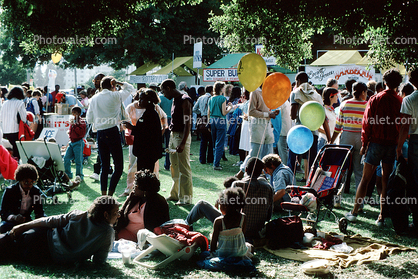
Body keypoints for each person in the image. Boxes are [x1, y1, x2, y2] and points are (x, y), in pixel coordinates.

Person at [346, 69, 404, 226]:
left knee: (365, 179)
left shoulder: (375, 98)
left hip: (375, 143)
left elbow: (367, 123)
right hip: (391, 144)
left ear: (385, 82)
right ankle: (382, 216)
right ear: (398, 84)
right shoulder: (400, 101)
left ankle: (354, 212)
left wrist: (364, 144)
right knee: (385, 182)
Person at [0, 196, 120, 264]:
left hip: (37, 237)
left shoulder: (79, 214)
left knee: (9, 238)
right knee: (12, 251)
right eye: (116, 213)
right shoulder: (107, 233)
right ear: (105, 215)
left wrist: (23, 226)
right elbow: (99, 262)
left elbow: (49, 221)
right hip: (44, 257)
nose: (118, 215)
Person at [86, 76, 135, 196]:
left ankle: (103, 195)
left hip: (100, 133)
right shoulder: (116, 95)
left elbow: (89, 119)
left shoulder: (93, 99)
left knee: (104, 166)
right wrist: (118, 82)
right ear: (112, 85)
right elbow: (130, 88)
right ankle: (110, 194)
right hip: (112, 132)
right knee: (118, 167)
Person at [330, 82, 368, 203]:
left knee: (341, 170)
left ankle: (337, 200)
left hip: (346, 137)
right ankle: (359, 204)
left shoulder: (345, 104)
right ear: (363, 92)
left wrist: (332, 140)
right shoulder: (367, 105)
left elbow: (338, 126)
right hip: (361, 138)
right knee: (359, 172)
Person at [236, 82, 280, 179]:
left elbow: (264, 110)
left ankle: (264, 176)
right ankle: (242, 172)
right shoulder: (255, 92)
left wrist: (272, 113)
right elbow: (251, 111)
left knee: (268, 153)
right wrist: (268, 114)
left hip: (267, 126)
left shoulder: (268, 92)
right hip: (257, 126)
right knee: (254, 153)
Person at [161, 79, 193, 205]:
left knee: (184, 168)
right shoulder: (175, 99)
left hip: (181, 136)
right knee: (174, 166)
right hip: (173, 135)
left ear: (169, 88)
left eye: (163, 91)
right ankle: (175, 194)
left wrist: (183, 142)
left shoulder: (185, 100)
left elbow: (188, 123)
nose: (163, 94)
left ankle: (186, 198)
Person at [115, 170, 169, 242]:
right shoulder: (134, 196)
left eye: (136, 184)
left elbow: (161, 226)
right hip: (123, 233)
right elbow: (121, 213)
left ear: (144, 190)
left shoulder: (158, 202)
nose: (134, 186)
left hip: (142, 239)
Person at [232, 157, 274, 240]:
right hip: (258, 231)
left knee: (202, 204)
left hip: (236, 229)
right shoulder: (268, 187)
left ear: (246, 169)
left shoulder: (237, 185)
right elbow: (268, 217)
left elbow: (228, 213)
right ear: (261, 172)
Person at [124, 89, 163, 171]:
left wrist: (132, 127)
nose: (139, 101)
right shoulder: (149, 113)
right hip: (146, 151)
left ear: (148, 101)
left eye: (141, 99)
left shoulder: (151, 114)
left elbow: (146, 132)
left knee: (144, 173)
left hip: (147, 152)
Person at [0, 164, 45, 233]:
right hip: (11, 222)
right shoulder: (10, 191)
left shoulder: (36, 191)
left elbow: (39, 211)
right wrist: (14, 217)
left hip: (26, 222)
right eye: (26, 182)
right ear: (20, 180)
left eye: (32, 182)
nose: (29, 185)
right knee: (3, 227)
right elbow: (3, 212)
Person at [210, 187, 252, 258]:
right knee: (250, 246)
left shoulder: (219, 221)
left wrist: (211, 254)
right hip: (239, 253)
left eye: (220, 204)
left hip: (222, 254)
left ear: (225, 206)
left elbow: (213, 244)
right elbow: (242, 235)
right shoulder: (243, 217)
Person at [397, 68, 418, 194]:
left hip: (415, 139)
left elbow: (405, 126)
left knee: (415, 175)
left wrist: (399, 148)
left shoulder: (409, 99)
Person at [208, 81, 234, 170]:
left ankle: (215, 161)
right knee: (219, 143)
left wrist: (208, 123)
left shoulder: (211, 98)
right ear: (220, 88)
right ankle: (216, 164)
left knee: (214, 142)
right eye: (223, 87)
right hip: (221, 121)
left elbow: (209, 112)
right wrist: (230, 107)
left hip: (212, 120)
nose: (224, 89)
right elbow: (224, 112)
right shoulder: (223, 98)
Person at [0, 87, 27, 159]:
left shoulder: (4, 103)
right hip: (15, 131)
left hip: (4, 131)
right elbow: (24, 118)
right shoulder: (20, 103)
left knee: (7, 153)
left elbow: (1, 118)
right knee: (16, 153)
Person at [64, 106, 87, 182]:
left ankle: (79, 176)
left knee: (78, 161)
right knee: (66, 158)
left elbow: (81, 133)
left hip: (78, 142)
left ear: (79, 113)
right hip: (72, 142)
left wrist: (74, 125)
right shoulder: (73, 120)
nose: (73, 114)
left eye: (75, 113)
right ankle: (68, 175)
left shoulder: (81, 121)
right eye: (72, 113)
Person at [193, 85, 213, 165]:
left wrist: (201, 113)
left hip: (202, 119)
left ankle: (202, 159)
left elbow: (194, 109)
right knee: (211, 141)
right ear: (212, 91)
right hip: (210, 119)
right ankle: (210, 158)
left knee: (203, 141)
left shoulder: (200, 98)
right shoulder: (211, 98)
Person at [318, 87, 339, 152]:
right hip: (325, 141)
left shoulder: (332, 110)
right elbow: (317, 127)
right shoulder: (323, 110)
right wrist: (327, 134)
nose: (337, 97)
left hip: (333, 141)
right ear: (331, 97)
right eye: (336, 95)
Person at [157, 84, 173, 171]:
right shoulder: (172, 98)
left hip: (161, 121)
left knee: (158, 143)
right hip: (170, 121)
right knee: (168, 144)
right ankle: (167, 164)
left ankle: (156, 163)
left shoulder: (160, 98)